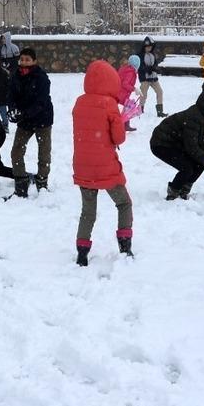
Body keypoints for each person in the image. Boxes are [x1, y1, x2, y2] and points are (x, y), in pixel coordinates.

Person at [72, 60, 135, 267]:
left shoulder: (79, 102)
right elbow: (118, 138)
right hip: (105, 167)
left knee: (87, 212)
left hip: (82, 165)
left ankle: (82, 253)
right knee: (124, 203)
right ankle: (125, 246)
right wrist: (121, 118)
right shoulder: (109, 105)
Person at [150, 86, 204, 201]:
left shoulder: (203, 118)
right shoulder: (194, 118)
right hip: (161, 143)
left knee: (200, 163)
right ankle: (174, 192)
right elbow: (191, 147)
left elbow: (200, 143)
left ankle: (183, 190)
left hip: (177, 143)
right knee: (187, 168)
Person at [8, 47, 52, 198]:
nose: (24, 62)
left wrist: (24, 113)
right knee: (16, 152)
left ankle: (42, 184)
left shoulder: (41, 78)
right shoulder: (15, 76)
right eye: (22, 59)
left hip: (42, 120)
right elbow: (11, 96)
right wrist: (12, 110)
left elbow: (41, 101)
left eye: (28, 59)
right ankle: (21, 183)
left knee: (44, 153)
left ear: (34, 61)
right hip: (24, 121)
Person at [137, 36, 167, 118]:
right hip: (145, 78)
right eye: (147, 47)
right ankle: (140, 110)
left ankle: (160, 111)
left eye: (150, 47)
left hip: (154, 78)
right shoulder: (140, 55)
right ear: (144, 47)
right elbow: (139, 67)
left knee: (160, 92)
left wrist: (155, 69)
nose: (149, 48)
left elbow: (155, 64)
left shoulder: (152, 54)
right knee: (143, 95)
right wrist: (147, 69)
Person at [117, 55, 140, 132]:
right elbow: (125, 84)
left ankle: (125, 125)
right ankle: (122, 126)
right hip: (122, 94)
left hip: (119, 92)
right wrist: (134, 89)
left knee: (126, 108)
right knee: (126, 109)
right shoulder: (131, 72)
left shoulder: (125, 69)